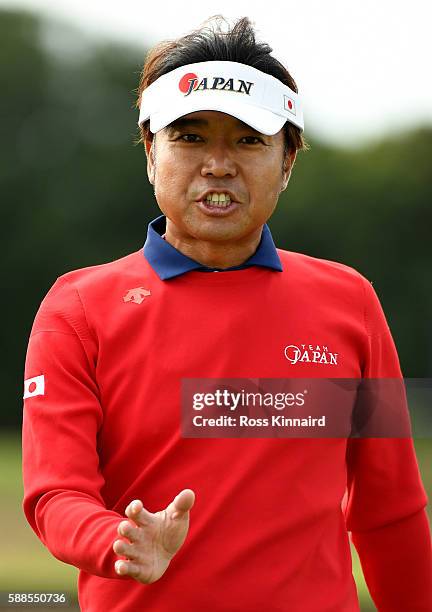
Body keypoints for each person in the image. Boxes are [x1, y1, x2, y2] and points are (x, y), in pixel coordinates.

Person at [22, 15, 431, 612]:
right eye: (189, 138)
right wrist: (118, 539)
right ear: (150, 153)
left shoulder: (350, 302)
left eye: (248, 140)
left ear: (287, 161)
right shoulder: (78, 309)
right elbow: (55, 494)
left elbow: (388, 509)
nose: (218, 164)